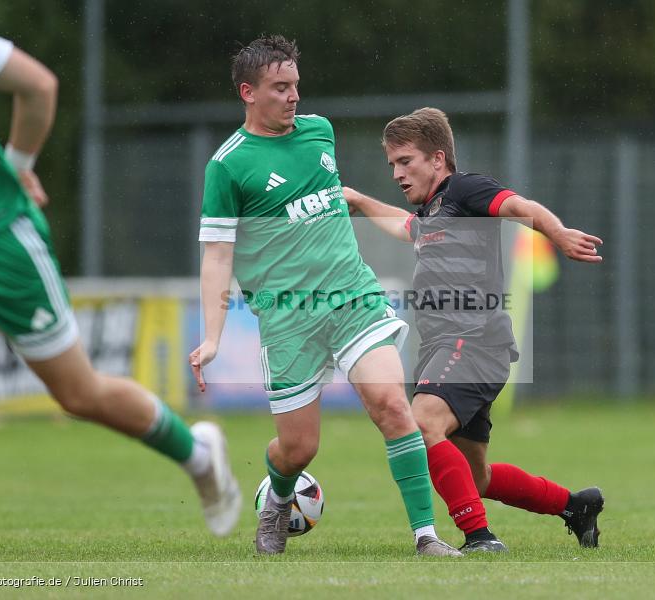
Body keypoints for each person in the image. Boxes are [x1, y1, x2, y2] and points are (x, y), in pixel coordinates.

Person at [0, 2, 242, 595]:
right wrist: (17, 165)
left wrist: (11, 175)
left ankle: (197, 453)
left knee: (78, 393)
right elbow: (37, 86)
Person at [188, 36, 459, 557]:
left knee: (392, 406)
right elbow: (218, 255)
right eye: (280, 87)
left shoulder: (320, 132)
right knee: (298, 448)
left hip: (352, 297)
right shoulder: (228, 166)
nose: (293, 97)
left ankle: (426, 536)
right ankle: (278, 499)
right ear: (248, 92)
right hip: (288, 317)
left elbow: (332, 201)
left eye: (295, 85)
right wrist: (213, 337)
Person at [343, 107, 606, 552]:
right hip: (449, 347)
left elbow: (519, 207)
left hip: (472, 340)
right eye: (392, 164)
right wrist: (358, 200)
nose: (396, 173)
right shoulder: (432, 212)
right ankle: (575, 506)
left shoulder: (465, 189)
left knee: (422, 423)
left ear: (438, 159)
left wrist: (557, 233)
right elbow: (405, 227)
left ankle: (479, 537)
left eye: (405, 161)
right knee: (475, 476)